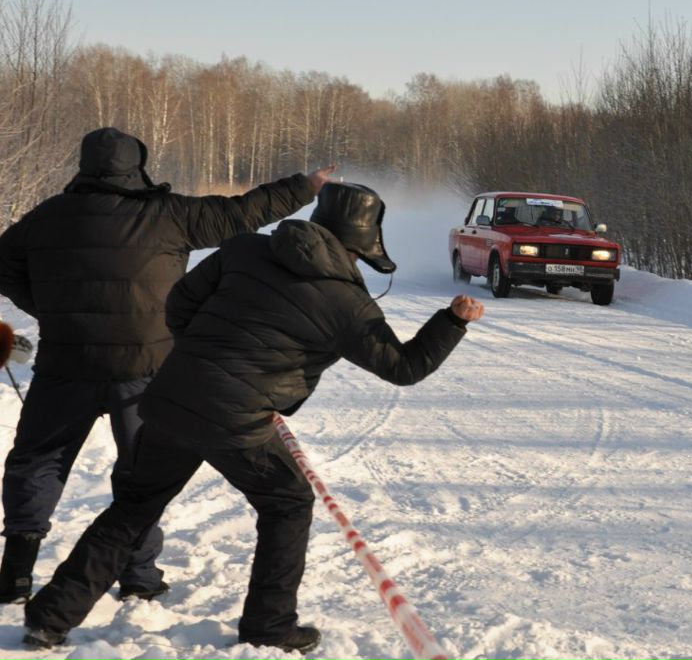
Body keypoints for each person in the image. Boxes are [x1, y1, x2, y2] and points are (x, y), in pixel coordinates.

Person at [22, 182, 485, 653]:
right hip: (235, 419)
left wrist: (201, 359)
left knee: (133, 508)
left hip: (171, 397)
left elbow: (179, 306)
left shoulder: (245, 249)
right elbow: (405, 368)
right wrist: (453, 321)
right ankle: (270, 626)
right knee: (288, 504)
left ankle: (50, 617)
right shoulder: (348, 304)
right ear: (363, 242)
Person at [0, 127, 334, 606]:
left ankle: (14, 573)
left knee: (39, 459)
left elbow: (4, 266)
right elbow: (243, 213)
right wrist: (304, 186)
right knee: (142, 472)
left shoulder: (46, 217)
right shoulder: (170, 214)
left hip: (65, 363)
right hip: (147, 366)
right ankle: (137, 576)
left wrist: (52, 309)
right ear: (138, 165)